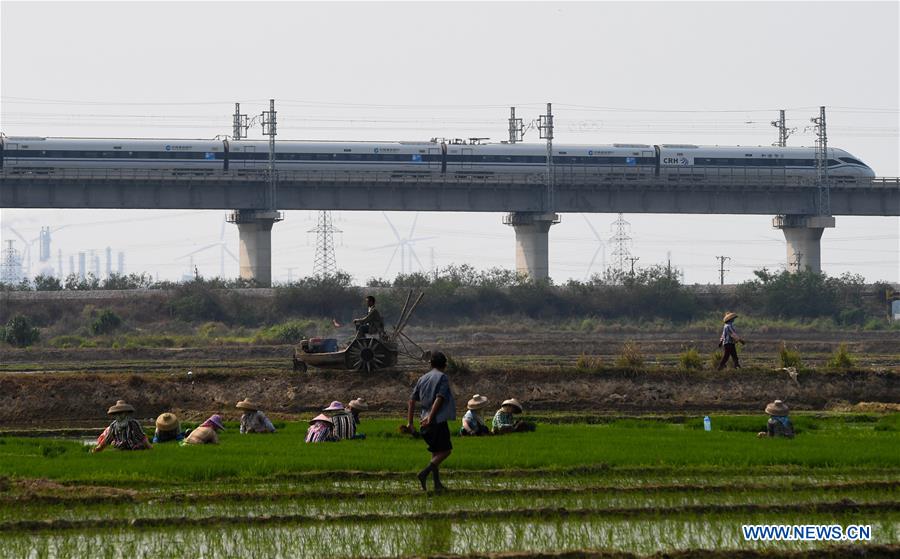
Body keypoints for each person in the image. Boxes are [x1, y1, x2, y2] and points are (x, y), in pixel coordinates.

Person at [407, 351, 456, 491]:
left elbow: (411, 401)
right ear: (445, 365)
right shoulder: (443, 377)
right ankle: (424, 473)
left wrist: (410, 423)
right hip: (436, 421)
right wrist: (431, 417)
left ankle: (437, 484)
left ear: (431, 364)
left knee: (435, 453)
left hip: (424, 422)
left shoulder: (422, 378)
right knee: (446, 451)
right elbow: (439, 398)